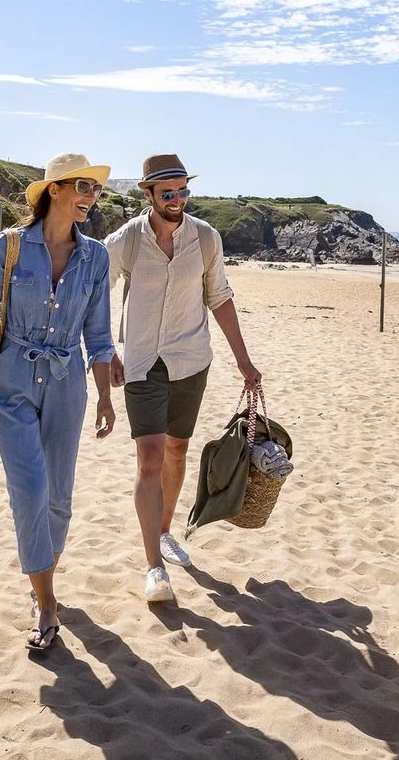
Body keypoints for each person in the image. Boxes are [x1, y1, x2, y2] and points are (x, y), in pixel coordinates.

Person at [0, 153, 117, 653]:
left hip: (69, 381)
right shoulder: (10, 245)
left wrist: (106, 397)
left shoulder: (96, 257)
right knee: (28, 492)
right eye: (84, 187)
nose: (92, 197)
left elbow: (98, 332)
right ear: (54, 189)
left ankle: (42, 573)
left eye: (96, 190)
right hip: (11, 383)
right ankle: (46, 600)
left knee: (58, 499)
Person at [105, 153, 262, 603]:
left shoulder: (207, 238)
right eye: (167, 193)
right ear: (149, 195)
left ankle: (166, 530)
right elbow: (99, 287)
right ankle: (153, 565)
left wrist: (244, 362)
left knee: (177, 450)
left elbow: (221, 299)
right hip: (140, 362)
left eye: (183, 191)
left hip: (192, 360)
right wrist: (108, 348)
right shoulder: (127, 240)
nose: (177, 200)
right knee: (150, 458)